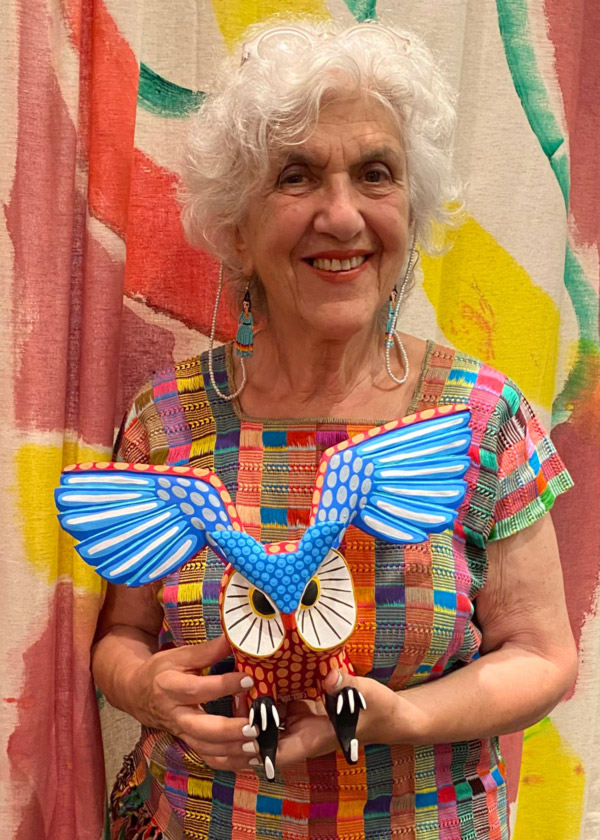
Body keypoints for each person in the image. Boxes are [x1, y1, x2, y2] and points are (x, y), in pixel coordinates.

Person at [93, 19, 577, 840]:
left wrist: (402, 719)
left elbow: (543, 655)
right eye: (297, 177)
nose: (342, 215)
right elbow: (124, 634)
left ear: (411, 212)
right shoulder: (166, 420)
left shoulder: (482, 419)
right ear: (237, 229)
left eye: (376, 174)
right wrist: (143, 690)